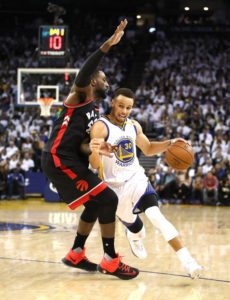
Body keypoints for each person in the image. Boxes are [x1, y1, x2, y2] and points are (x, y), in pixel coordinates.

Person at [41, 20, 139, 280]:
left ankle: (75, 253)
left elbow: (83, 145)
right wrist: (107, 45)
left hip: (70, 158)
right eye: (103, 79)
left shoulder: (95, 110)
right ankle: (109, 259)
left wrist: (97, 146)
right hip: (59, 159)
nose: (107, 82)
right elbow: (84, 73)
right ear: (94, 80)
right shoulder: (80, 95)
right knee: (109, 199)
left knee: (97, 204)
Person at [89, 88, 203, 279]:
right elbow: (94, 164)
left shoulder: (134, 126)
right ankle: (134, 235)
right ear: (113, 104)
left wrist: (170, 143)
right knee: (137, 229)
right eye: (121, 106)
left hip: (137, 179)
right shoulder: (101, 126)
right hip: (114, 189)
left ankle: (188, 261)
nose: (124, 111)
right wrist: (94, 151)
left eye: (128, 107)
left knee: (156, 216)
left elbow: (148, 149)